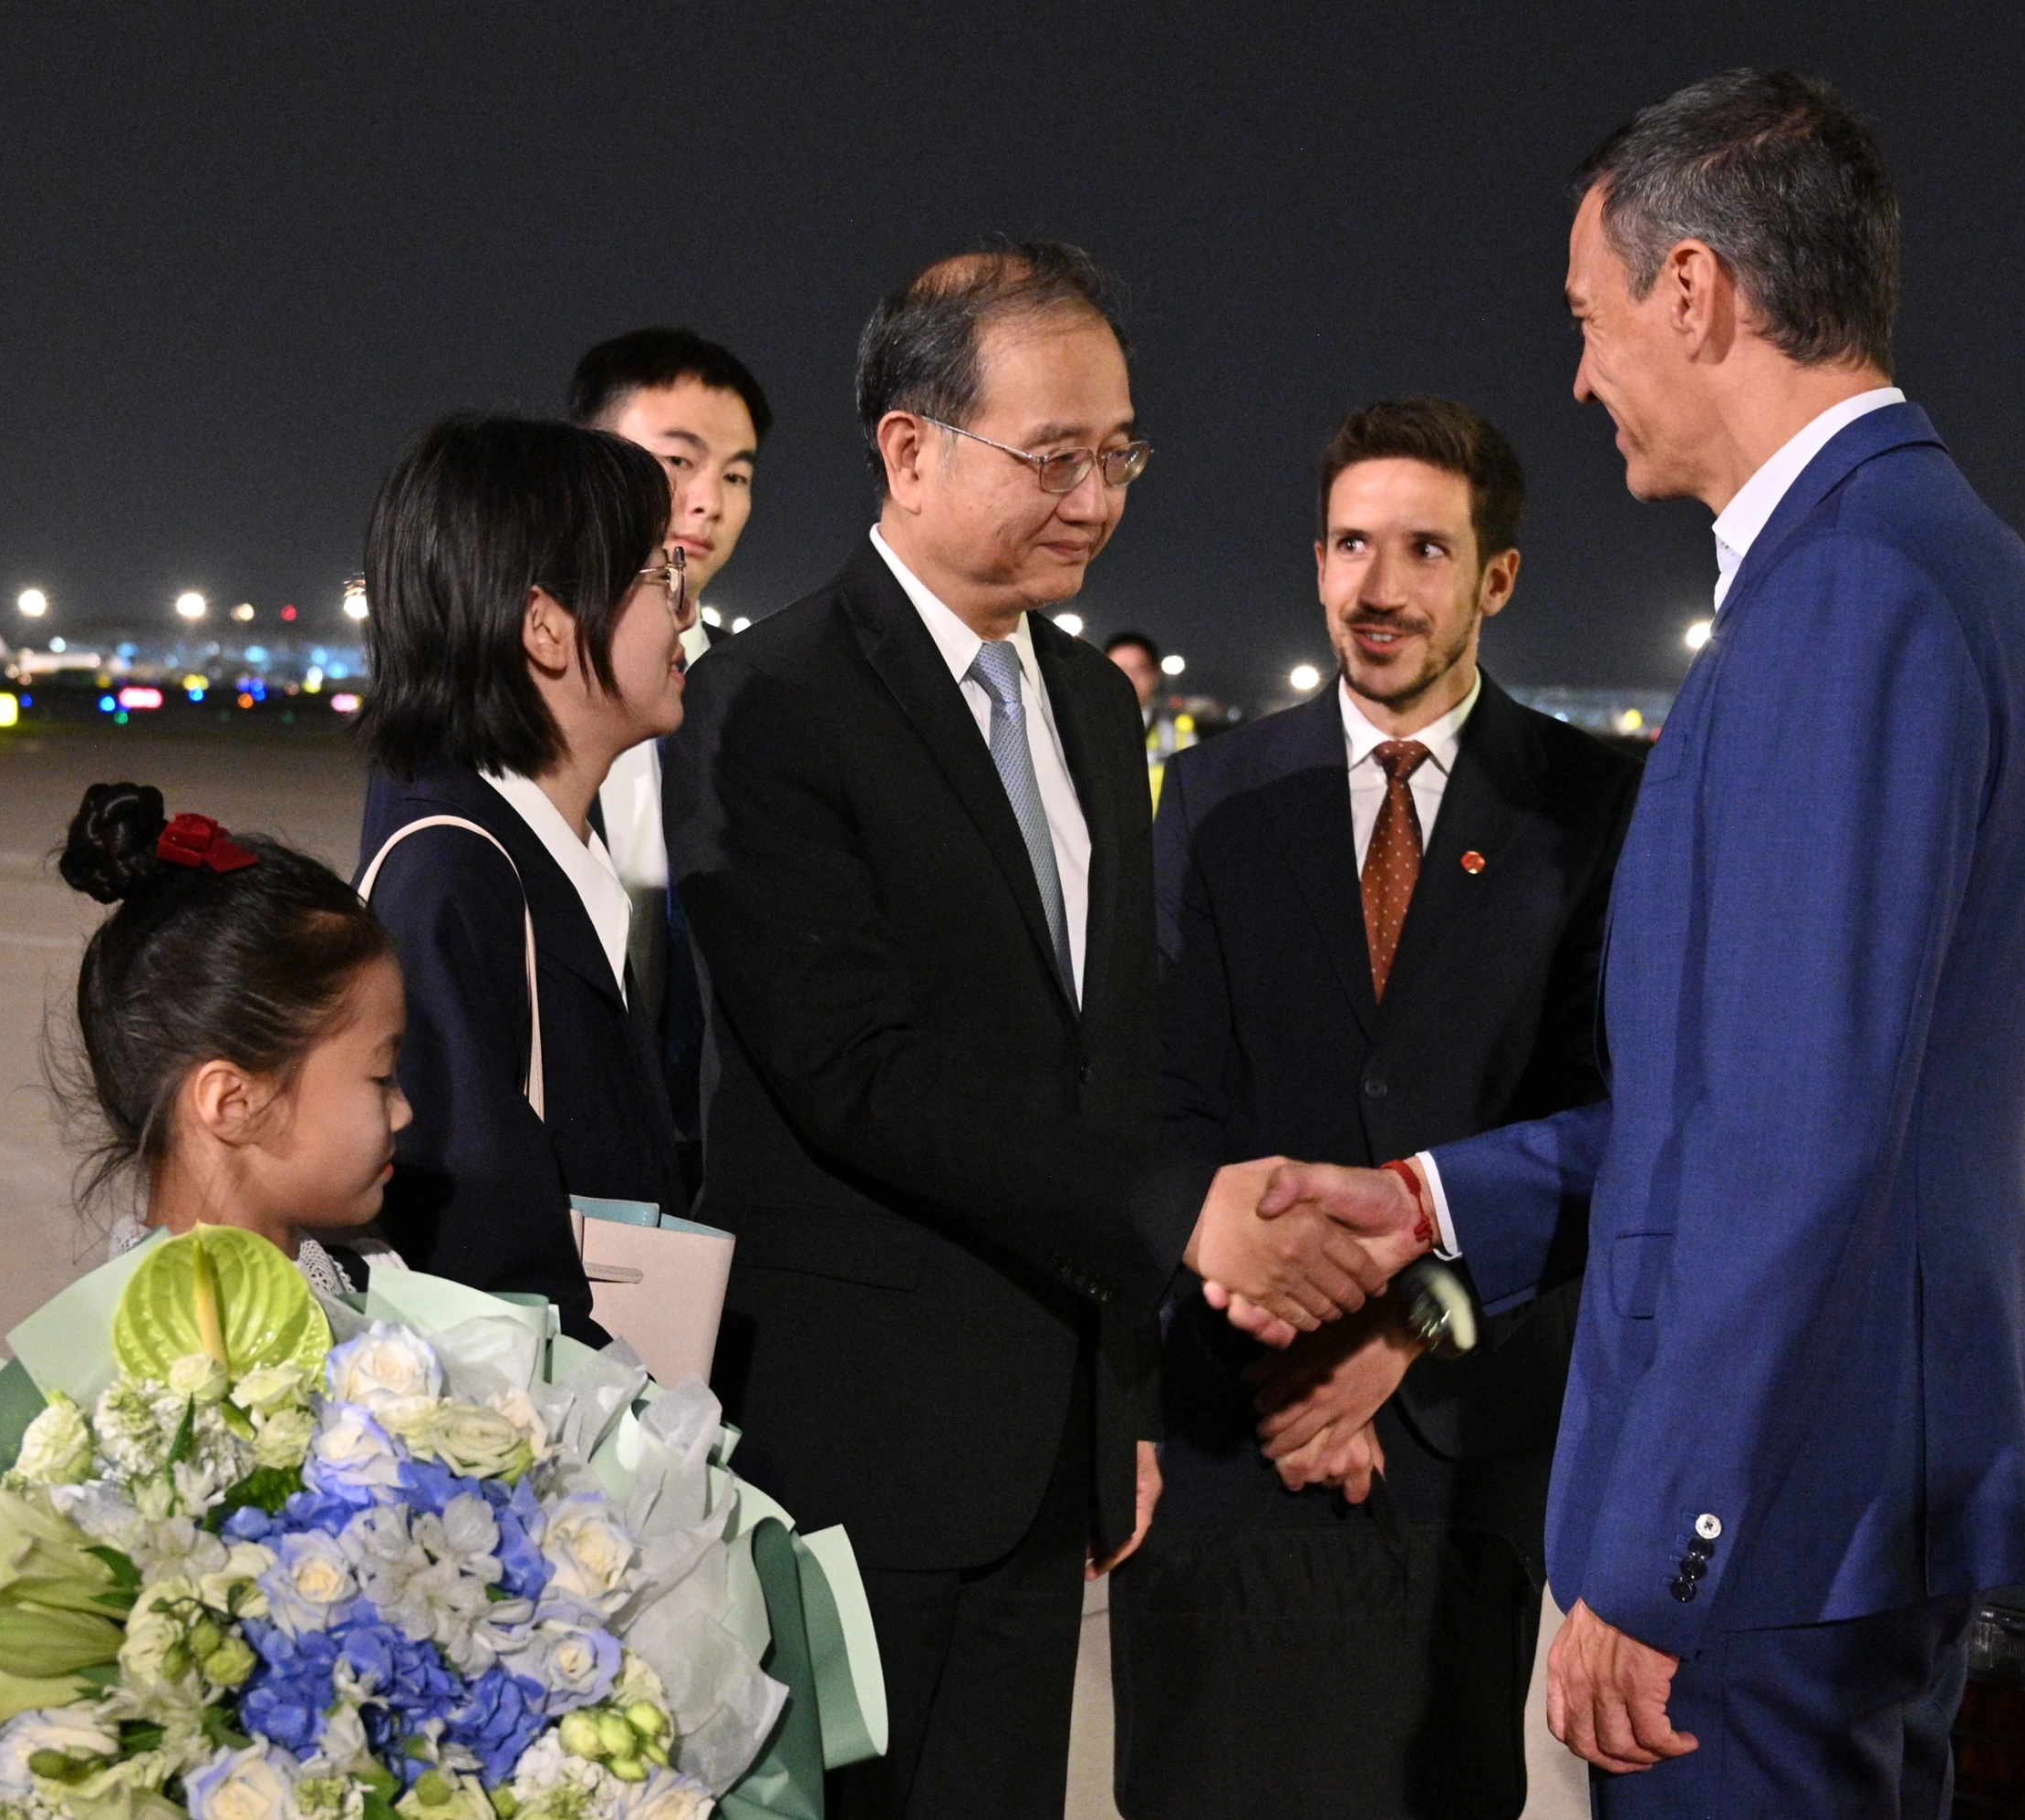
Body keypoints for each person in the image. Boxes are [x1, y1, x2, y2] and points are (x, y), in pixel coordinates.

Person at [1251, 72, 2025, 1816]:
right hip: (1854, 1492)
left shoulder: (1846, 597)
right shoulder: (1938, 556)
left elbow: (1797, 1145)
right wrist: (1433, 1203)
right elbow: (1756, 1104)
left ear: (1694, 291)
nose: (1580, 375)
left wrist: (1666, 1553)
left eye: (1591, 315)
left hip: (1781, 1525)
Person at [659, 240, 1408, 1819]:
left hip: (1045, 1454)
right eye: (1052, 455)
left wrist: (1116, 1405)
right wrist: (1184, 1214)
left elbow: (1107, 1065)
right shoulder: (776, 702)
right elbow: (852, 1073)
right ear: (909, 449)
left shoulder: (1093, 706)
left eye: (1118, 452)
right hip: (851, 1447)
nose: (1095, 495)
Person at [1112, 398, 1638, 1819]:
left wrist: (1401, 1335)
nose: (1377, 586)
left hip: (1450, 1441)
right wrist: (1281, 1335)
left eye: (1421, 548)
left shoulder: (1594, 808)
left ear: (1497, 578)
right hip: (1235, 1424)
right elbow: (1158, 1099)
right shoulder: (1211, 796)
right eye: (1351, 544)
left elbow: (1610, 1130)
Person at [353, 415, 692, 1346]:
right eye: (662, 577)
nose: (688, 613)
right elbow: (474, 1268)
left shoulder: (540, 856)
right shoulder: (454, 881)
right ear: (546, 626)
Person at [53, 781, 410, 1295]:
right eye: (381, 1077)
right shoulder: (141, 1366)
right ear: (233, 1102)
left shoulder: (371, 1278)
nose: (404, 1111)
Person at [569, 328, 774, 1194]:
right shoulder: (511, 693)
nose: (708, 502)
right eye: (676, 462)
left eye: (735, 474)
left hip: (721, 1170)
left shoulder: (768, 701)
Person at [1105, 629, 1195, 803]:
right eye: (1118, 669)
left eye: (1139, 670)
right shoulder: (1079, 732)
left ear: (1155, 676)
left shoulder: (1182, 740)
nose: (1129, 678)